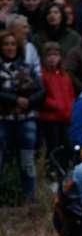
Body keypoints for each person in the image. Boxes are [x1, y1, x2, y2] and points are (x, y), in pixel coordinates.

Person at [0, 30, 44, 201]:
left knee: (27, 161)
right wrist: (15, 99)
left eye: (12, 44)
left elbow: (41, 91)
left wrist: (28, 101)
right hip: (3, 120)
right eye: (6, 44)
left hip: (26, 119)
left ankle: (30, 200)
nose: (10, 47)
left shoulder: (26, 67)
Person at [37, 42, 75, 154]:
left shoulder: (64, 75)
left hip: (66, 118)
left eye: (56, 55)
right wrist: (56, 105)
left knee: (67, 148)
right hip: (50, 118)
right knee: (53, 148)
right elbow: (40, 96)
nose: (52, 58)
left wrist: (71, 109)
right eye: (49, 55)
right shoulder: (41, 74)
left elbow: (71, 94)